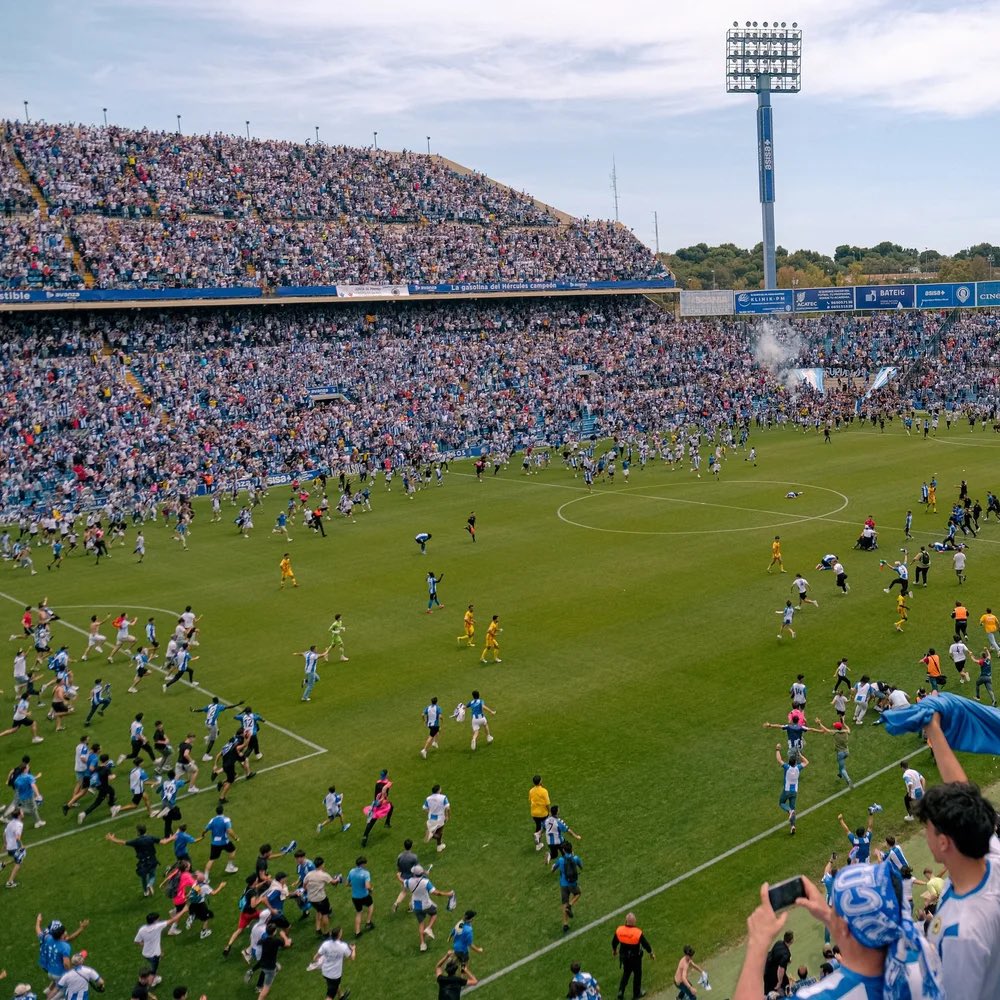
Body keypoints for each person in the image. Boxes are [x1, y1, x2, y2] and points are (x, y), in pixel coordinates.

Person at [914, 712, 1000, 997]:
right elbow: (965, 796)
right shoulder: (990, 857)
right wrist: (934, 731)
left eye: (927, 829)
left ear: (943, 843)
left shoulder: (961, 933)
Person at [403, 862, 455, 951]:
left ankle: (422, 944)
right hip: (426, 904)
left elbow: (403, 881)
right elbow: (436, 893)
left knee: (421, 923)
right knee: (434, 914)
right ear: (421, 873)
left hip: (416, 906)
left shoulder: (409, 881)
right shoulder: (425, 882)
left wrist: (398, 876)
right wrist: (448, 894)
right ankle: (429, 928)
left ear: (414, 873)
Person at [106, 825, 161, 896]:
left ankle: (146, 892)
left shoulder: (137, 841)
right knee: (152, 875)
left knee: (143, 878)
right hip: (152, 860)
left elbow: (123, 843)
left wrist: (112, 839)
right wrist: (172, 837)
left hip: (143, 862)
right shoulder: (150, 838)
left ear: (138, 832)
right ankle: (150, 884)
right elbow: (162, 842)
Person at [612, 912, 655, 1000]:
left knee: (626, 973)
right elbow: (645, 944)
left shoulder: (620, 930)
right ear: (634, 922)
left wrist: (615, 950)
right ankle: (637, 993)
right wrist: (651, 953)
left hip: (624, 957)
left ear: (626, 921)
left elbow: (614, 942)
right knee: (637, 974)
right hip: (635, 958)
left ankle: (621, 991)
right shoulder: (637, 933)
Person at [311, 925, 354, 1000]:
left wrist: (317, 963)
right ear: (339, 935)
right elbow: (352, 957)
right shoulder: (343, 946)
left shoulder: (325, 944)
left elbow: (315, 957)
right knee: (330, 996)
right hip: (334, 975)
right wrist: (353, 949)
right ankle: (340, 996)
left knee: (334, 985)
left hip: (325, 972)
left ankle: (341, 996)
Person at [776, 744, 807, 835]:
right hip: (794, 792)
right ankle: (793, 826)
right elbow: (806, 762)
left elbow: (779, 759)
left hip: (787, 790)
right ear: (795, 763)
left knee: (781, 803)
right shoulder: (798, 768)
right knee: (793, 808)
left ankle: (789, 811)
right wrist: (800, 755)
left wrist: (777, 749)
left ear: (789, 762)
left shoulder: (787, 768)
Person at [813, 718, 853, 788]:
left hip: (840, 753)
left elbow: (826, 730)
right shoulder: (846, 732)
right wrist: (844, 723)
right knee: (841, 765)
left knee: (843, 768)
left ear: (837, 728)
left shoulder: (835, 733)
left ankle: (848, 780)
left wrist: (819, 723)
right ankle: (840, 774)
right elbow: (849, 729)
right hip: (847, 752)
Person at [553, 842, 583, 934]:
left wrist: (552, 869)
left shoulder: (561, 860)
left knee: (564, 904)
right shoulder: (575, 858)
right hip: (572, 884)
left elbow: (553, 869)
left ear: (563, 850)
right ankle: (570, 905)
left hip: (563, 885)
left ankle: (565, 924)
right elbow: (581, 866)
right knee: (578, 893)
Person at [360, 769, 393, 846]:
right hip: (382, 803)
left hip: (375, 803)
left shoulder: (377, 783)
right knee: (390, 806)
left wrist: (376, 802)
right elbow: (385, 796)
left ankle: (365, 836)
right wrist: (383, 802)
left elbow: (375, 795)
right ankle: (387, 822)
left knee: (371, 821)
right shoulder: (387, 784)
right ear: (386, 775)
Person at [346, 856, 375, 938]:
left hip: (355, 897)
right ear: (362, 864)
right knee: (371, 905)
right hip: (364, 896)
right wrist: (371, 889)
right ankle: (368, 922)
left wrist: (355, 885)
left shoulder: (351, 871)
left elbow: (347, 883)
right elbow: (367, 886)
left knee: (359, 913)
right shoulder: (366, 873)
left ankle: (357, 932)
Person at [2, 807, 26, 888]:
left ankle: (2, 864)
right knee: (18, 863)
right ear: (19, 815)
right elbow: (17, 838)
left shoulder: (10, 823)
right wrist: (22, 845)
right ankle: (10, 882)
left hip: (9, 847)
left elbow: (4, 834)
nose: (23, 812)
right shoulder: (19, 825)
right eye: (22, 812)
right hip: (14, 847)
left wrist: (5, 844)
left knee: (17, 858)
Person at [424, 783, 450, 853]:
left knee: (439, 833)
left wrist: (430, 812)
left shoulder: (428, 798)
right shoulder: (443, 797)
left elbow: (424, 808)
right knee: (439, 832)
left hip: (431, 818)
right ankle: (431, 835)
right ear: (439, 790)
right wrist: (447, 816)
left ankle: (439, 846)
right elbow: (447, 808)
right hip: (440, 818)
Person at [529, 774, 551, 852]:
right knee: (545, 826)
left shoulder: (531, 790)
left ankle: (538, 845)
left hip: (534, 813)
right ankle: (538, 835)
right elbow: (547, 803)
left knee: (538, 826)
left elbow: (530, 800)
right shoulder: (544, 791)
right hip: (543, 813)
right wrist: (550, 812)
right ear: (540, 781)